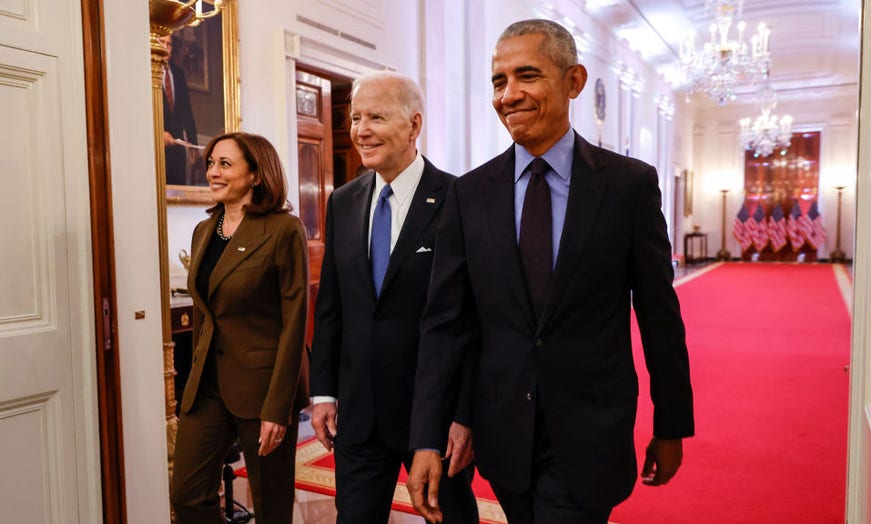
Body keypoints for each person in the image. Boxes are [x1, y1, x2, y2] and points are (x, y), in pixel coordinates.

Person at [406, 19, 695, 524]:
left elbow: (659, 315)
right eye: (499, 82)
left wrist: (671, 423)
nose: (508, 95)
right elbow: (445, 324)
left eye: (527, 76)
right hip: (504, 435)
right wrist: (427, 435)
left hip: (590, 430)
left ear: (573, 81)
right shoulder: (469, 195)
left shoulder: (627, 186)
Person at [309, 71, 479, 523]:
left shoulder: (459, 198)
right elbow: (331, 307)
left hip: (433, 417)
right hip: (359, 414)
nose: (361, 130)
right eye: (356, 117)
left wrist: (465, 414)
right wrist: (323, 391)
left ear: (414, 124)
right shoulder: (342, 202)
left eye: (377, 117)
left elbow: (473, 320)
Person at [170, 132, 310, 523]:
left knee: (272, 506)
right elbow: (203, 313)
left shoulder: (284, 230)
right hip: (208, 387)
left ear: (256, 175)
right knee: (187, 495)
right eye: (211, 163)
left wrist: (278, 408)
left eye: (225, 164)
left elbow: (294, 322)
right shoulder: (204, 231)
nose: (213, 172)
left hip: (263, 388)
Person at [160, 34, 199, 185]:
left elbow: (187, 111)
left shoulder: (178, 74)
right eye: (161, 42)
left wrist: (192, 143)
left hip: (177, 148)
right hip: (157, 147)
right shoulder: (145, 72)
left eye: (168, 44)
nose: (165, 47)